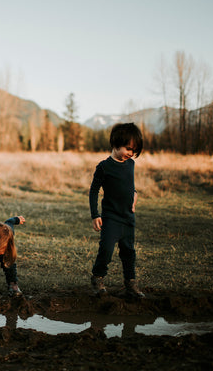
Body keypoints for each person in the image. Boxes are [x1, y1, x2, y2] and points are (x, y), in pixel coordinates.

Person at [89, 123, 145, 298]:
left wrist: (134, 195)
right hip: (111, 217)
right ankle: (97, 278)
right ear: (115, 143)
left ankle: (131, 283)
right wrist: (95, 215)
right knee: (106, 249)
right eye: (128, 149)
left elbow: (130, 186)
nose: (131, 153)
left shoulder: (131, 165)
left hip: (128, 217)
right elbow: (93, 191)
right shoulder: (104, 167)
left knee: (129, 252)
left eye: (134, 151)